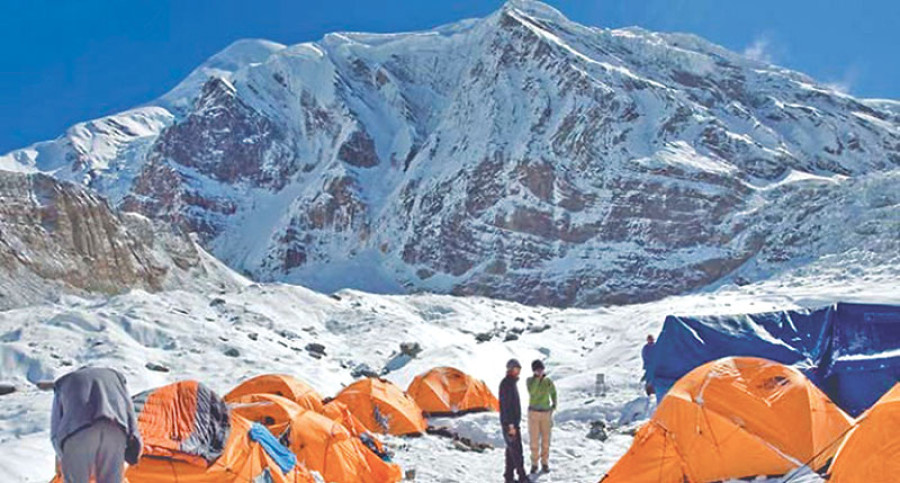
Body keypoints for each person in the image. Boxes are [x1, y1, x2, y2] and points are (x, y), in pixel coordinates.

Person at [51, 367, 142, 483]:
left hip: (77, 431)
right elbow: (129, 411)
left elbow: (55, 429)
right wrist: (134, 443)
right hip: (115, 429)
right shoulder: (116, 378)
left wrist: (64, 455)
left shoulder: (65, 383)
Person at [499, 359, 528, 483]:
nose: (518, 372)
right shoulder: (506, 384)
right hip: (510, 424)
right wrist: (511, 424)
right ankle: (522, 477)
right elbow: (506, 406)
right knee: (517, 450)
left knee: (511, 450)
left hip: (512, 423)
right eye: (516, 369)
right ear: (510, 369)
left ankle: (509, 476)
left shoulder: (511, 383)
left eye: (519, 369)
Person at [526, 359, 557, 474]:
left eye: (541, 369)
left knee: (545, 440)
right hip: (533, 413)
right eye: (537, 370)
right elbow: (532, 392)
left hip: (545, 413)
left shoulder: (548, 381)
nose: (539, 371)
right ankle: (534, 463)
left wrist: (554, 405)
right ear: (533, 371)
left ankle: (545, 462)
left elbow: (553, 392)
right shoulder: (530, 380)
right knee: (534, 440)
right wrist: (537, 379)